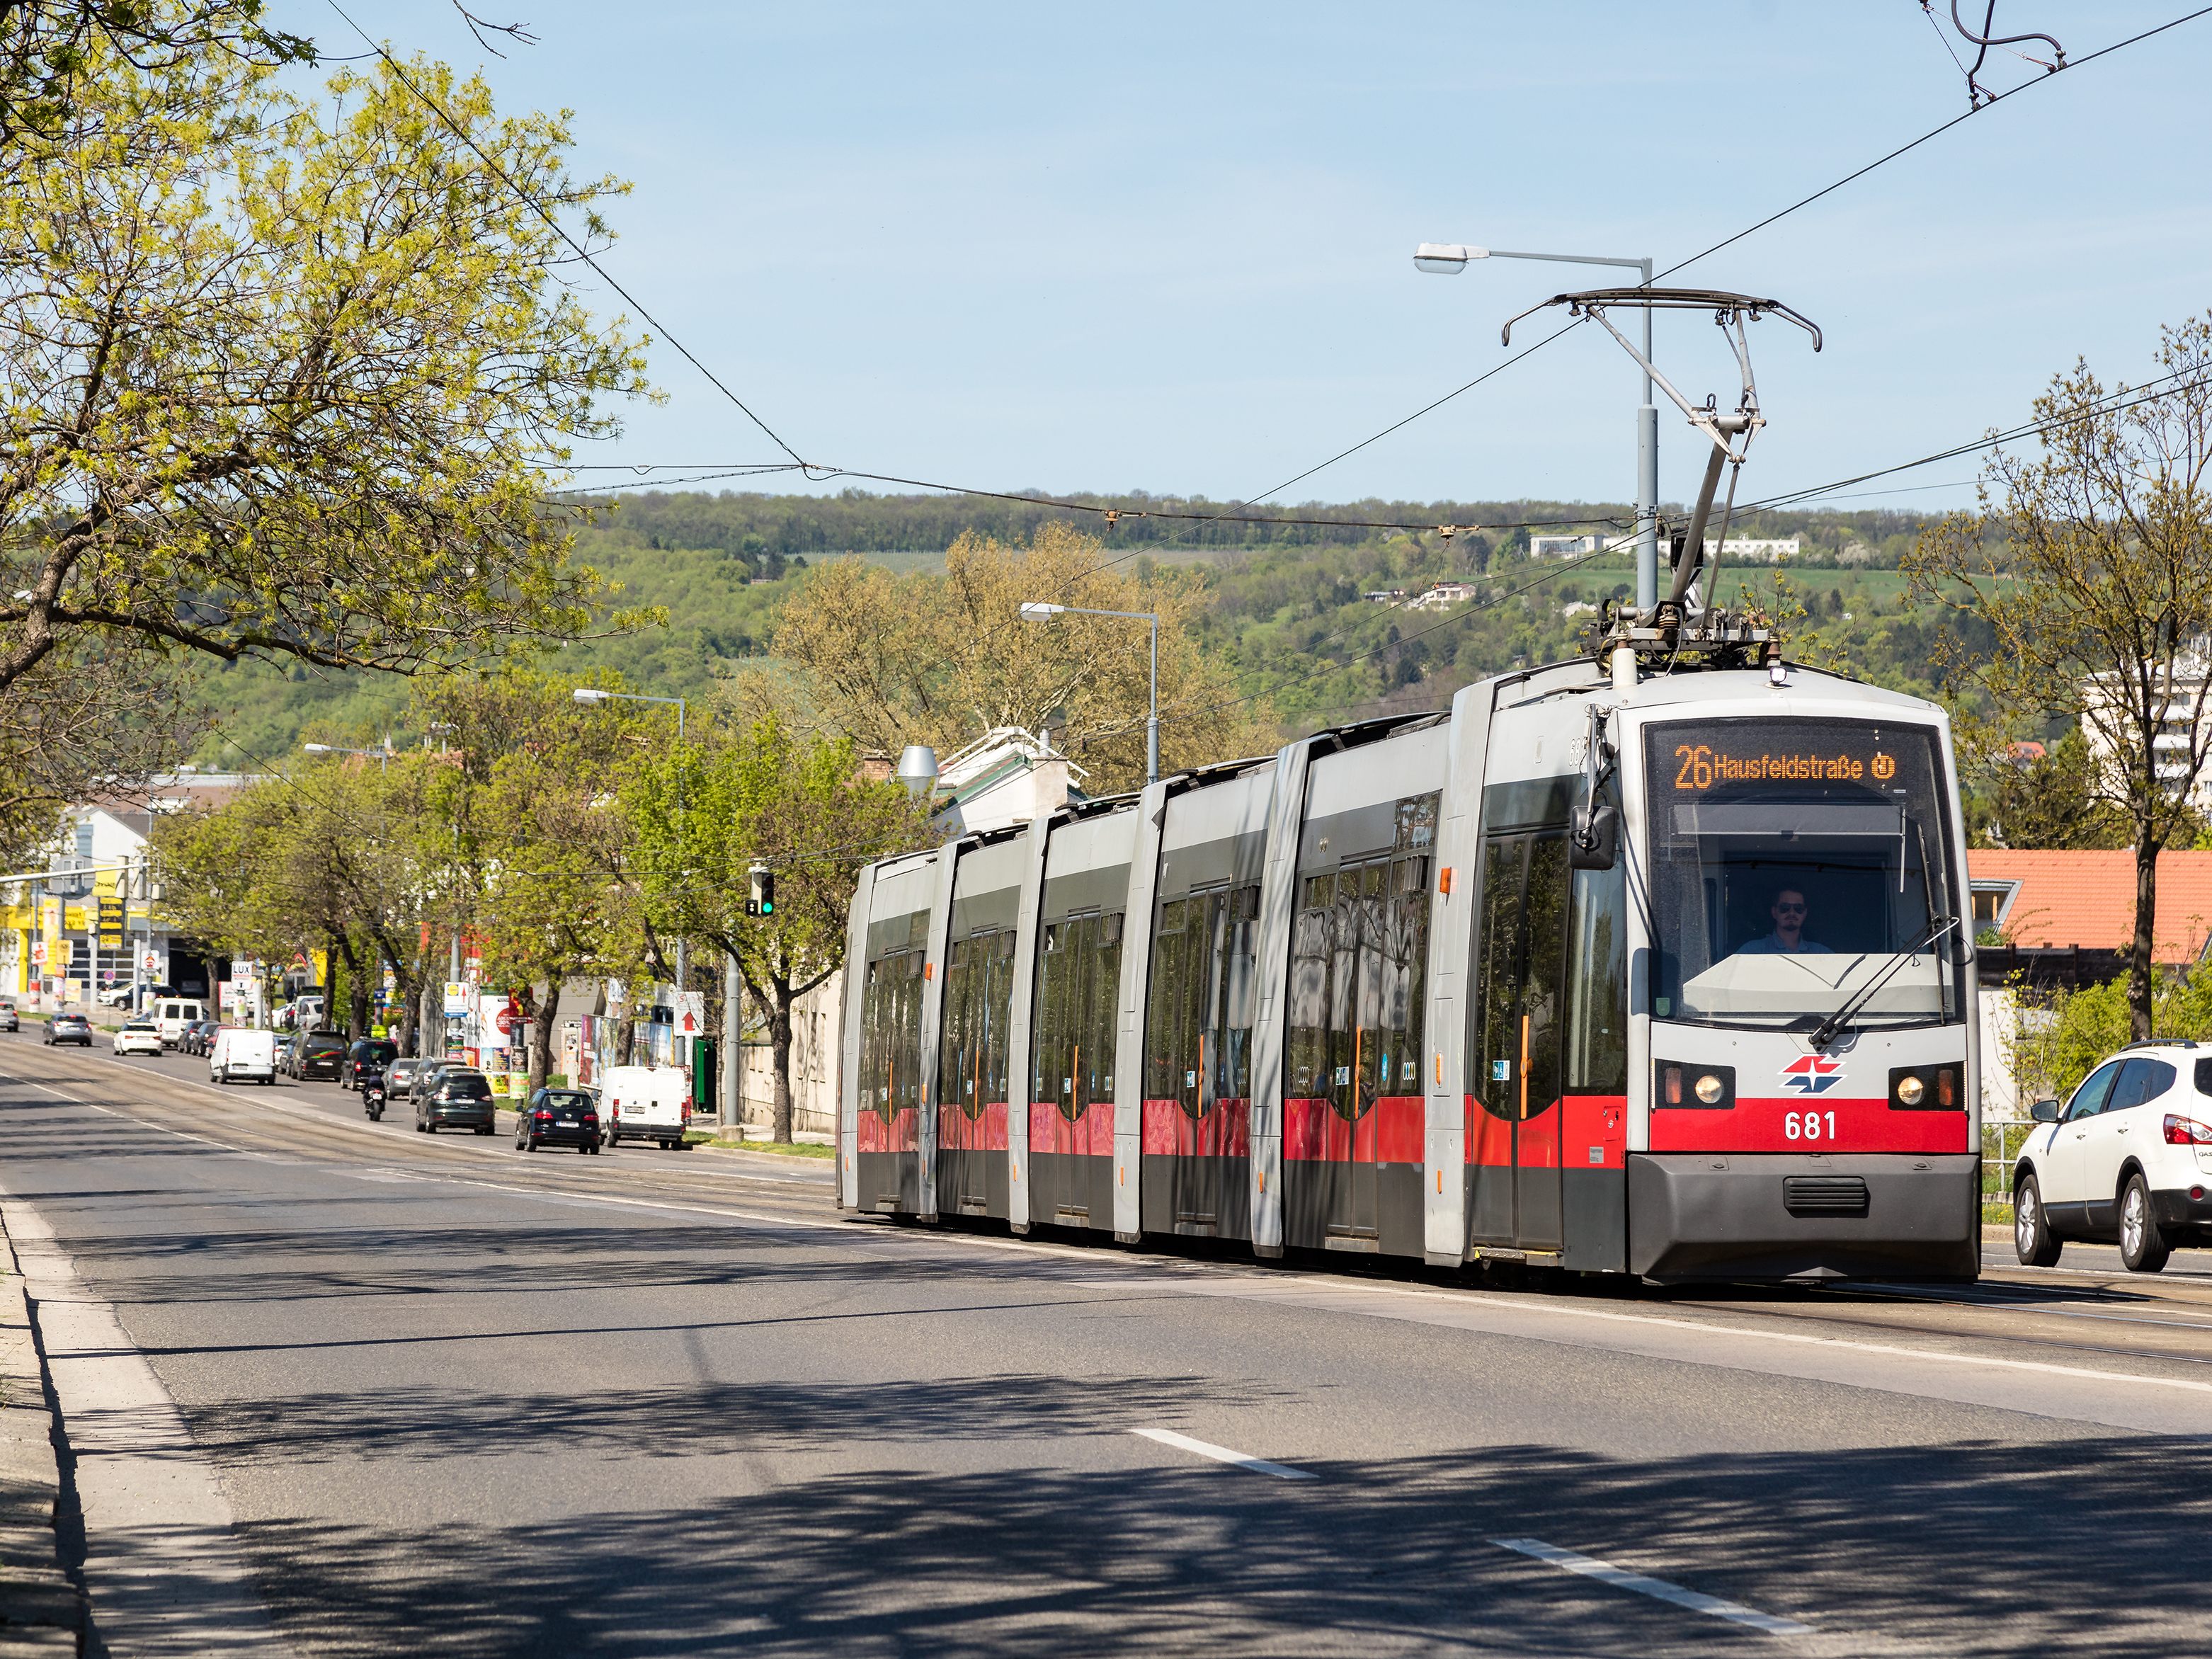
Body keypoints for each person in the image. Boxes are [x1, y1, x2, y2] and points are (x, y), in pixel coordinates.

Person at [1739, 886, 1832, 954]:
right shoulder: (1752, 951)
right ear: (1774, 912)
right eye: (1785, 907)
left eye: (1798, 908)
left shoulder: (1822, 953)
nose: (1792, 913)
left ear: (1805, 913)